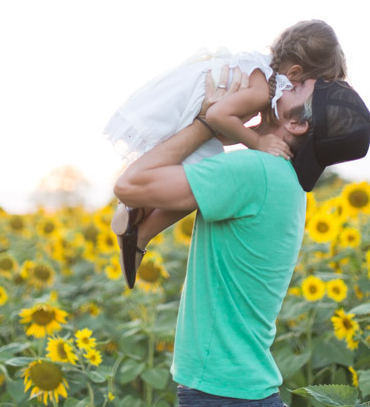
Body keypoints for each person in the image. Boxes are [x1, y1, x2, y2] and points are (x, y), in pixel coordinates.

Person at [113, 72, 370, 406]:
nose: (285, 81)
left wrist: (206, 121)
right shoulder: (283, 179)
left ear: (296, 124)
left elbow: (129, 187)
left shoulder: (256, 172)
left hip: (220, 392)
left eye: (299, 86)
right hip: (238, 389)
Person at [105, 19, 347, 287]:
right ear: (295, 72)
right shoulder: (264, 89)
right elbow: (218, 114)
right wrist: (257, 142)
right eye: (308, 85)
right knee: (203, 169)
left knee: (199, 167)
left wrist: (250, 134)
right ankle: (141, 225)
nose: (305, 90)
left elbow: (222, 128)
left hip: (193, 100)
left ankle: (138, 214)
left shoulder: (260, 77)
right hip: (196, 103)